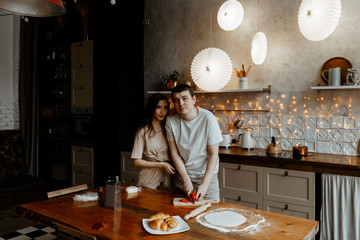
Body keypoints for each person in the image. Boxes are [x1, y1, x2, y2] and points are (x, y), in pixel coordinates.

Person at [165, 84, 223, 201]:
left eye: (184, 98)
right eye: (176, 100)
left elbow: (213, 154)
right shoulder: (170, 121)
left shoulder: (208, 118)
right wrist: (186, 180)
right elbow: (174, 154)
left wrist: (205, 184)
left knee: (210, 214)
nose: (181, 103)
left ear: (194, 99)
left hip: (207, 177)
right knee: (179, 215)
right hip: (182, 176)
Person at [131, 93, 175, 189]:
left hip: (169, 177)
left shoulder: (168, 129)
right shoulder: (143, 131)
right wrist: (161, 164)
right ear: (152, 108)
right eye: (158, 107)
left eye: (165, 108)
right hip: (150, 179)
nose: (162, 111)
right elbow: (137, 161)